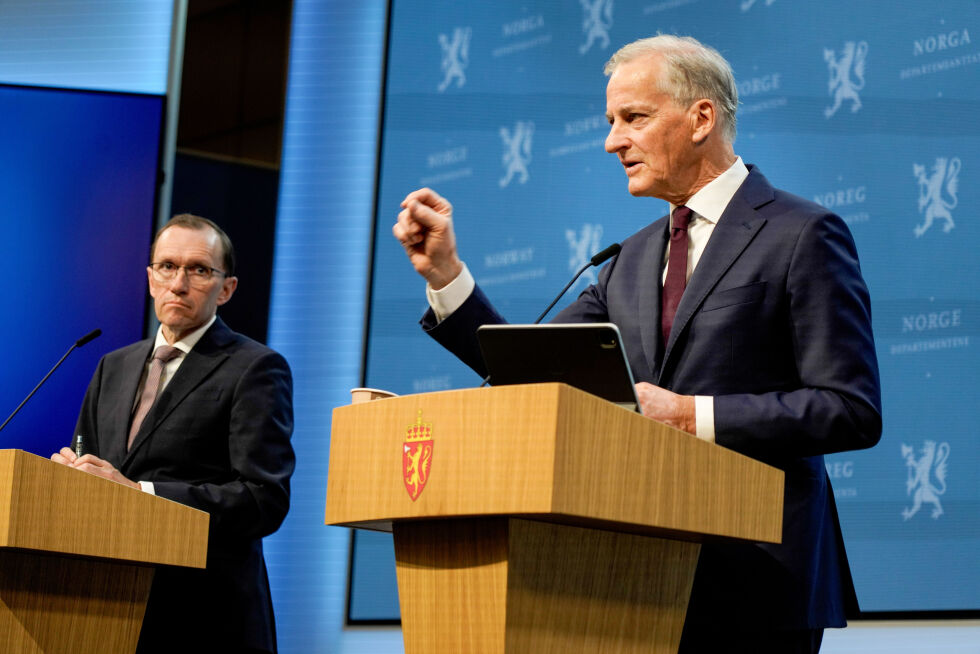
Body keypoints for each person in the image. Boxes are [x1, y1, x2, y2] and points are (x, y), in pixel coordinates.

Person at [393, 35, 881, 653]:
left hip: (758, 580)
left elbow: (851, 409)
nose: (611, 141)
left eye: (633, 118)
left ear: (701, 118)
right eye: (609, 122)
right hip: (634, 577)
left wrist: (688, 416)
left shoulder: (801, 233)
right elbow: (527, 367)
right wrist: (445, 275)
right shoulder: (630, 257)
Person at [51, 214, 295, 654]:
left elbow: (263, 500)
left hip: (205, 619)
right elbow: (91, 465)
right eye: (167, 266)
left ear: (227, 288)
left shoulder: (255, 368)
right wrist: (70, 478)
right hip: (105, 611)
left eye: (198, 270)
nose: (178, 284)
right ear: (149, 278)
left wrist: (140, 494)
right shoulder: (113, 366)